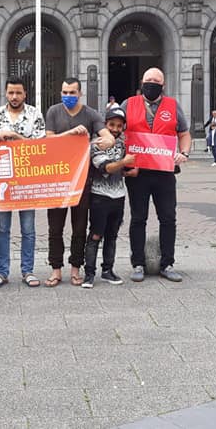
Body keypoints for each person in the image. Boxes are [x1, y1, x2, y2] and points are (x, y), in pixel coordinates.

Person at [121, 68, 192, 282]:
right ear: (142, 82)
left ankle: (167, 263)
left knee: (168, 218)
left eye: (156, 81)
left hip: (164, 172)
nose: (151, 84)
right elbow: (115, 130)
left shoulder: (173, 105)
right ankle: (138, 263)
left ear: (163, 85)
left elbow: (184, 133)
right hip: (138, 172)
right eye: (148, 80)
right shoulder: (128, 104)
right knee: (138, 218)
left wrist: (184, 153)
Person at [44, 77, 115, 287]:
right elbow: (48, 141)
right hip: (56, 179)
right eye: (64, 92)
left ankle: (76, 269)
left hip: (82, 180)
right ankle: (56, 270)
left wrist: (101, 141)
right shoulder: (53, 112)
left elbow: (108, 137)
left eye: (72, 93)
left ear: (80, 94)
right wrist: (70, 134)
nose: (68, 96)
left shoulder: (91, 114)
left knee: (79, 227)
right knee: (54, 228)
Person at [0, 78, 46, 288]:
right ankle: (2, 272)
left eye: (18, 93)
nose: (14, 97)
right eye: (11, 92)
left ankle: (27, 270)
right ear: (5, 93)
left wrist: (15, 136)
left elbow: (41, 147)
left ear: (25, 94)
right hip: (2, 182)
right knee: (2, 229)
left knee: (28, 229)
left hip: (27, 181)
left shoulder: (35, 115)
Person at [82, 107, 137, 288]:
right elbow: (105, 168)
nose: (115, 129)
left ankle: (108, 270)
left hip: (119, 196)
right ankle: (89, 273)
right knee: (96, 234)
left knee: (112, 235)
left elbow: (121, 170)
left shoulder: (123, 144)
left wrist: (129, 172)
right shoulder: (96, 144)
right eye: (111, 124)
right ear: (105, 125)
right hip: (100, 196)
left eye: (119, 126)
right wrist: (124, 163)